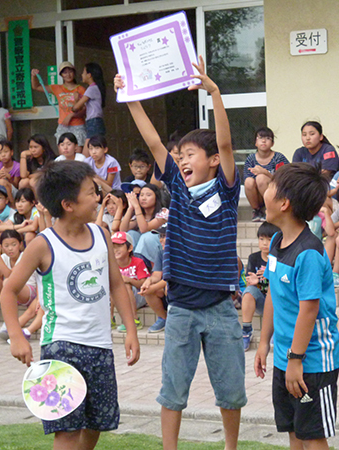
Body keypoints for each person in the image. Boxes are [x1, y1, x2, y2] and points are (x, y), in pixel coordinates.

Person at [115, 55, 247, 450]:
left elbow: (224, 141)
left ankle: (231, 446)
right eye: (180, 155)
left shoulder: (225, 190)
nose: (182, 159)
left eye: (190, 154)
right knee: (172, 390)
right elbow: (154, 141)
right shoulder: (177, 186)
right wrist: (131, 98)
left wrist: (215, 94)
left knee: (231, 392)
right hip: (182, 309)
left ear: (211, 161)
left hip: (223, 307)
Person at [1, 160, 140, 450]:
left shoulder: (102, 235)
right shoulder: (43, 244)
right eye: (90, 192)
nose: (97, 198)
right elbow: (9, 289)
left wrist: (131, 331)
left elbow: (116, 284)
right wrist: (17, 336)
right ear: (68, 204)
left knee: (96, 423)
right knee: (66, 429)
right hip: (60, 346)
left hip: (100, 345)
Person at [254, 163, 339, 450]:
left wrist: (296, 359)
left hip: (311, 361)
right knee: (293, 430)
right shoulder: (278, 241)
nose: (264, 190)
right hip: (285, 357)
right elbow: (272, 296)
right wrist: (264, 343)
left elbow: (309, 310)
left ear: (284, 203)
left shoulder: (309, 254)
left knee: (313, 434)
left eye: (270, 186)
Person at [0, 230, 36, 330]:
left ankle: (10, 321)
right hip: (11, 291)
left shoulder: (25, 256)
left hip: (28, 291)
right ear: (1, 247)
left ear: (20, 245)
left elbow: (11, 276)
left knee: (7, 282)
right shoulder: (3, 257)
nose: (10, 248)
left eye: (13, 244)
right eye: (6, 246)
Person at [241, 221, 279, 351]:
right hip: (261, 301)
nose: (264, 243)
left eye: (269, 240)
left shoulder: (278, 258)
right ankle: (246, 330)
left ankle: (277, 329)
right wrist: (254, 282)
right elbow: (249, 281)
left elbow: (282, 287)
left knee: (274, 291)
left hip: (277, 303)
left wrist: (268, 278)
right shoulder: (254, 258)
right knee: (249, 291)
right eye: (261, 239)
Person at [31, 62, 86, 146]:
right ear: (61, 75)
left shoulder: (81, 89)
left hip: (78, 125)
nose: (68, 74)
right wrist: (34, 76)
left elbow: (85, 110)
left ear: (74, 73)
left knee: (77, 151)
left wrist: (71, 115)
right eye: (65, 72)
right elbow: (36, 86)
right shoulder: (57, 88)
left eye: (70, 71)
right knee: (63, 151)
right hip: (63, 125)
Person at [243, 127, 289, 222]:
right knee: (248, 181)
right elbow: (248, 181)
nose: (264, 141)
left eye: (268, 138)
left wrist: (266, 173)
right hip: (258, 197)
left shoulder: (278, 158)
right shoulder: (250, 159)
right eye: (260, 138)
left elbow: (285, 179)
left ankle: (270, 208)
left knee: (261, 178)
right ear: (255, 143)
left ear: (272, 143)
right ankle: (257, 211)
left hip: (276, 193)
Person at [111, 231, 150, 332]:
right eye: (113, 247)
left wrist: (129, 280)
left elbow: (143, 283)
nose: (115, 250)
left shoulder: (138, 262)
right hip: (119, 299)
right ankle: (110, 319)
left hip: (139, 296)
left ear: (130, 248)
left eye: (119, 246)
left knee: (126, 285)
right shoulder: (112, 264)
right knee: (112, 286)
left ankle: (135, 320)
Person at [72, 62, 106, 153]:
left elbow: (76, 108)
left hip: (93, 123)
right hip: (96, 123)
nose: (82, 75)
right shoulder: (96, 88)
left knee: (86, 155)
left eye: (84, 72)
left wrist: (76, 99)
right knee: (95, 154)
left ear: (89, 75)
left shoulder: (91, 89)